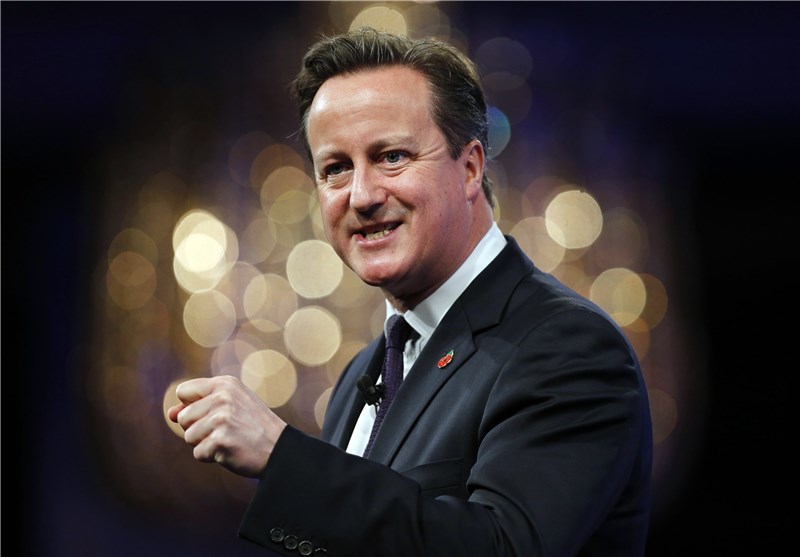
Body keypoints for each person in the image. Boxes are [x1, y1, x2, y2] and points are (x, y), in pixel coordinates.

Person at [168, 27, 653, 556]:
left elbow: (503, 548)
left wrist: (282, 457)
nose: (362, 196)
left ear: (470, 169)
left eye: (391, 157)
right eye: (336, 169)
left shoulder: (565, 345)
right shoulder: (364, 373)